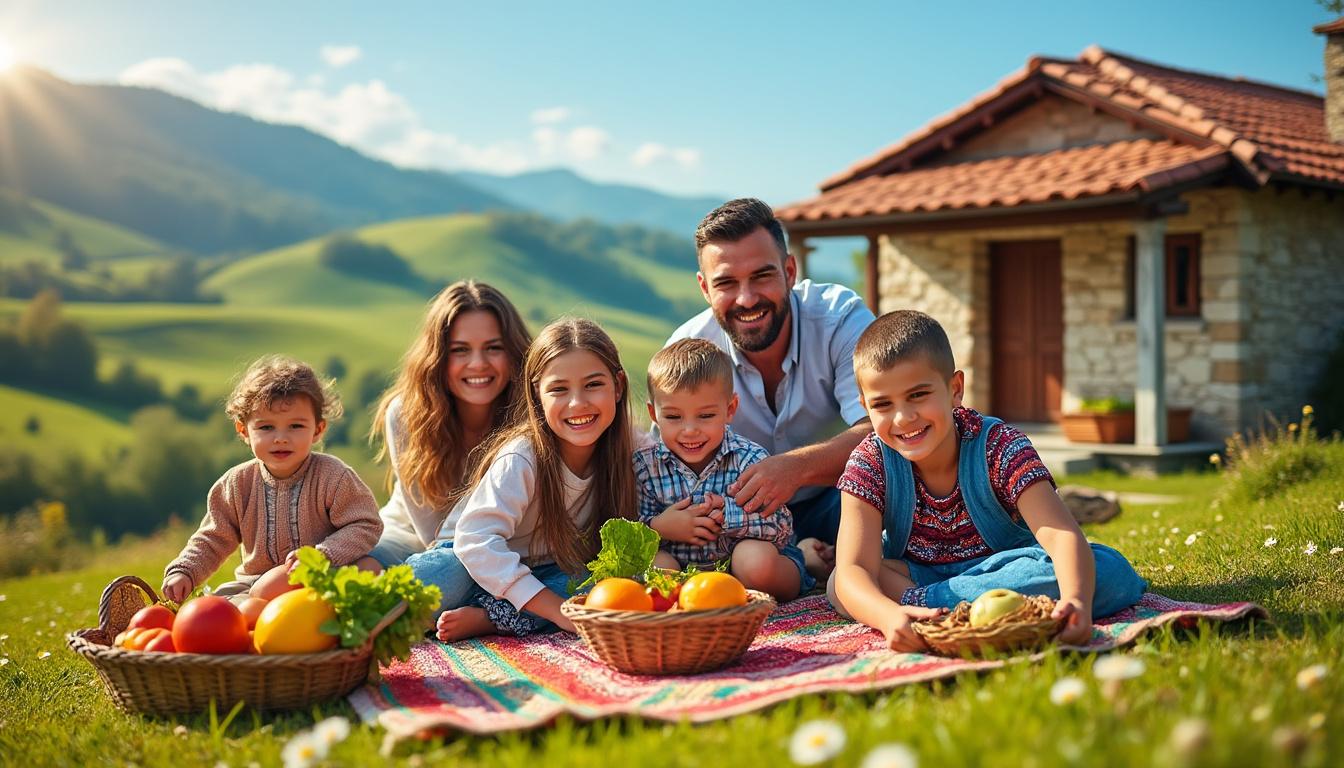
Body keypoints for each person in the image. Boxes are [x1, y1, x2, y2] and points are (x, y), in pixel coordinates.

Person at [828, 310, 1147, 651]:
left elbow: (1061, 534)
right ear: (865, 406)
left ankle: (931, 607)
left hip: (1010, 567)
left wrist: (1076, 600)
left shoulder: (1000, 446)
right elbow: (854, 569)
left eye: (918, 395)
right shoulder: (870, 462)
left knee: (1109, 571)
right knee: (840, 583)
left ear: (955, 389)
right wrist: (888, 617)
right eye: (883, 404)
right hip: (914, 572)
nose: (903, 418)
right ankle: (957, 608)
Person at [667, 198, 875, 579]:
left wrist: (796, 468)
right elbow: (668, 464)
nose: (746, 299)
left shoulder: (840, 318)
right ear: (704, 288)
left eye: (762, 276)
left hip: (841, 497)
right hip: (739, 522)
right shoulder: (686, 350)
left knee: (900, 503)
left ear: (790, 270)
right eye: (726, 283)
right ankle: (809, 562)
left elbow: (880, 429)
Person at [407, 318, 638, 641]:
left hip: (550, 571)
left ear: (618, 386)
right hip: (469, 560)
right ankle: (510, 613)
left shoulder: (633, 447)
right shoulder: (523, 456)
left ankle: (490, 617)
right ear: (537, 395)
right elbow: (476, 543)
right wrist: (559, 611)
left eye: (593, 385)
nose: (577, 403)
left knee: (601, 584)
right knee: (439, 580)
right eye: (558, 389)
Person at [161, 356, 383, 603]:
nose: (280, 438)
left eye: (296, 426)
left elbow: (365, 524)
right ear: (244, 430)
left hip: (318, 582)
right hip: (253, 588)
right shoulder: (237, 484)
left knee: (370, 568)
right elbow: (213, 538)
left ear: (318, 429)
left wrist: (322, 555)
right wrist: (185, 570)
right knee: (215, 609)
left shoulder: (333, 476)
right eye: (266, 428)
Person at [358, 281, 532, 571]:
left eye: (494, 347)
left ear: (514, 353)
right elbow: (432, 537)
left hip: (498, 544)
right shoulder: (406, 413)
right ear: (437, 357)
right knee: (361, 565)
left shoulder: (533, 416)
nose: (478, 363)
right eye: (460, 350)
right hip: (411, 533)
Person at [636, 339, 800, 600]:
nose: (690, 430)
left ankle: (807, 567)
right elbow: (627, 531)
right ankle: (687, 605)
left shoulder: (749, 459)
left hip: (743, 574)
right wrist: (659, 527)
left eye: (705, 416)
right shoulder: (644, 467)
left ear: (730, 409)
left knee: (755, 562)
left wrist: (730, 516)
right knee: (656, 568)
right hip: (685, 576)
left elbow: (781, 527)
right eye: (674, 417)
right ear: (654, 414)